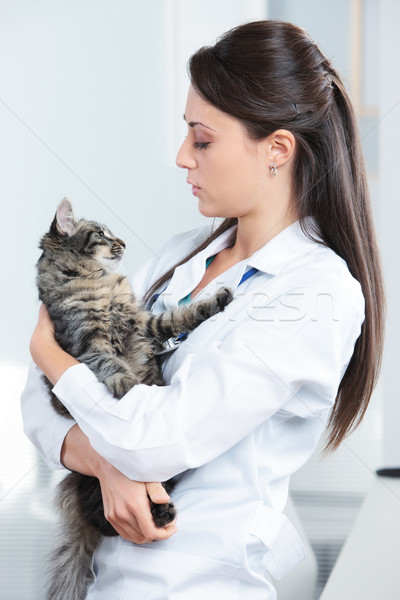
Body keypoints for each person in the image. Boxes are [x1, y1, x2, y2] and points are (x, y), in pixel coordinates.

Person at [22, 20, 384, 600]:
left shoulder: (316, 293)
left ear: (278, 150)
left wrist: (48, 356)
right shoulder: (180, 258)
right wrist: (103, 462)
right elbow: (36, 407)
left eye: (202, 139)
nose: (181, 156)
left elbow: (152, 439)